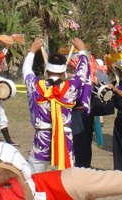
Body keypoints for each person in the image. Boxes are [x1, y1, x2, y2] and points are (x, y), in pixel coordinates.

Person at [23, 37, 90, 172]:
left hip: (42, 137)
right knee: (66, 179)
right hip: (65, 138)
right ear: (64, 72)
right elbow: (83, 72)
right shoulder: (71, 87)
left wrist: (32, 51)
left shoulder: (36, 85)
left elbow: (26, 70)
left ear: (46, 71)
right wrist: (82, 50)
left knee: (34, 177)